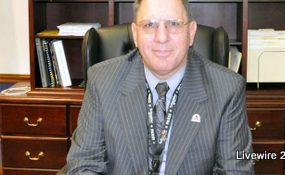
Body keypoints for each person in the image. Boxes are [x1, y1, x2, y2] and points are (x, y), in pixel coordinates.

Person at [59, 0, 254, 174]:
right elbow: (83, 165)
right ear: (135, 34)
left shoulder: (227, 89)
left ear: (191, 32)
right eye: (149, 25)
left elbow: (235, 170)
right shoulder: (102, 81)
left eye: (174, 24)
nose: (162, 37)